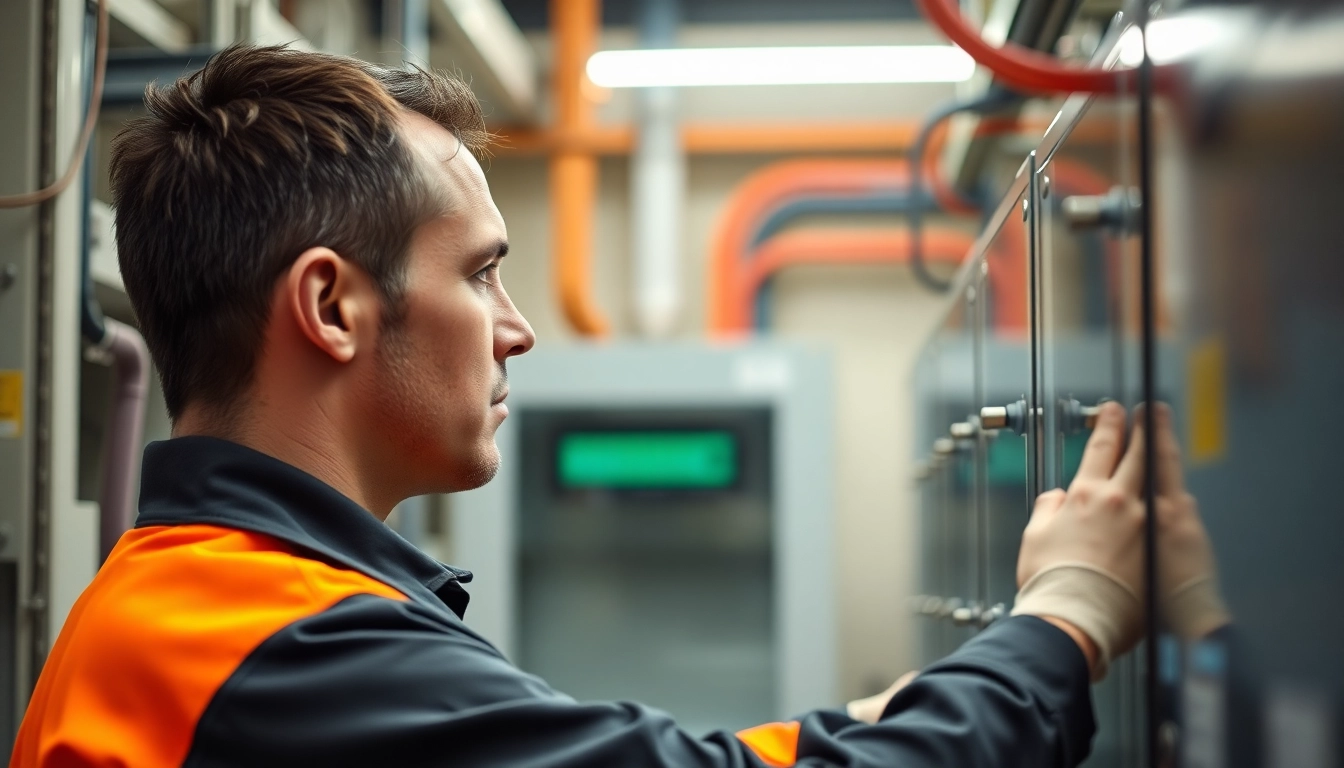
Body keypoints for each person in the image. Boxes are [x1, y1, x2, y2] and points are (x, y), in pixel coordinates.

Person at [11, 45, 1210, 767]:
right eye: (481, 272)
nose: (519, 326)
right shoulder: (259, 648)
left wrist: (894, 716)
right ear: (330, 307)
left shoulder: (211, 615)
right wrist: (1068, 617)